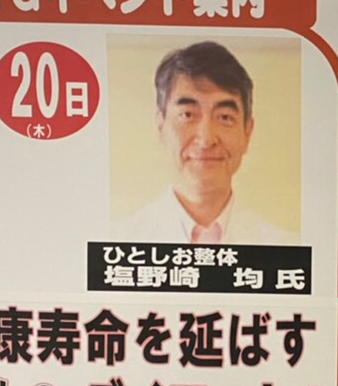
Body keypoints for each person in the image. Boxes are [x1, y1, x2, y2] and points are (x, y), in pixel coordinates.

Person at [113, 40, 295, 245]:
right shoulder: (119, 241)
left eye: (224, 117)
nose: (206, 139)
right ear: (161, 126)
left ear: (247, 132)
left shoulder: (286, 246)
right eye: (187, 115)